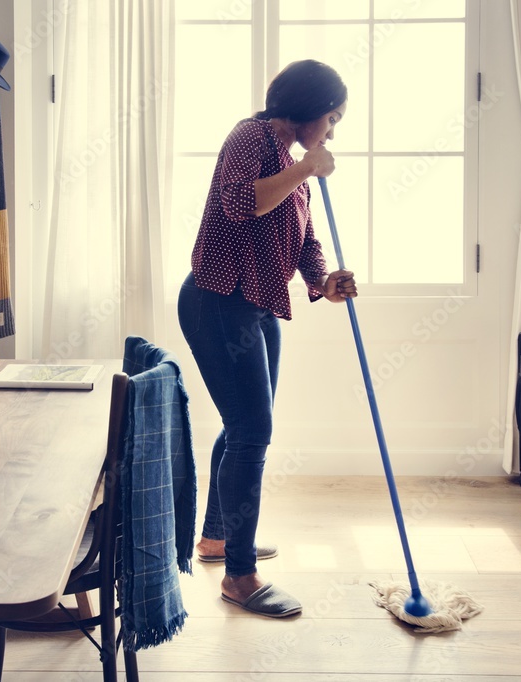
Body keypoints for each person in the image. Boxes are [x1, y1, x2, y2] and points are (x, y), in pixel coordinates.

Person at [177, 60, 357, 618]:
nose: (332, 131)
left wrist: (323, 280)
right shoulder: (250, 136)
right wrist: (306, 168)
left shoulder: (288, 157)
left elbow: (299, 234)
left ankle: (217, 539)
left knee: (243, 428)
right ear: (305, 109)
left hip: (257, 305)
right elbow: (239, 205)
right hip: (218, 300)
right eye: (331, 118)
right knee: (253, 431)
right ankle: (239, 576)